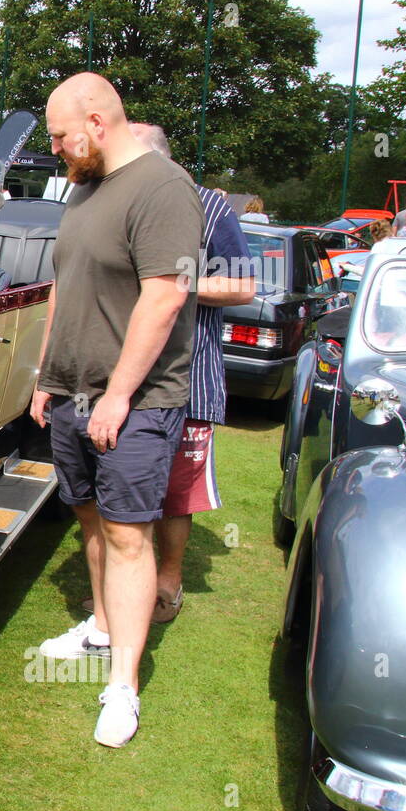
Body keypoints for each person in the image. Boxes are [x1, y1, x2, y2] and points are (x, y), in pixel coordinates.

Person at [30, 73, 202, 748]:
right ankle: (101, 629)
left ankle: (123, 686)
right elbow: (63, 286)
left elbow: (164, 297)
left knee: (131, 535)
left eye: (59, 136)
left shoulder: (163, 188)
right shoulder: (84, 189)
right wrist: (47, 376)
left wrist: (121, 394)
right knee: (91, 520)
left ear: (97, 120)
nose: (55, 150)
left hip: (135, 402)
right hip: (72, 394)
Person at [125, 122, 255, 626]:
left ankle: (167, 585)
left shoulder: (210, 205)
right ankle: (124, 594)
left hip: (190, 374)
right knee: (126, 484)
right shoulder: (121, 200)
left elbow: (243, 286)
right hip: (124, 377)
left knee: (176, 493)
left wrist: (171, 282)